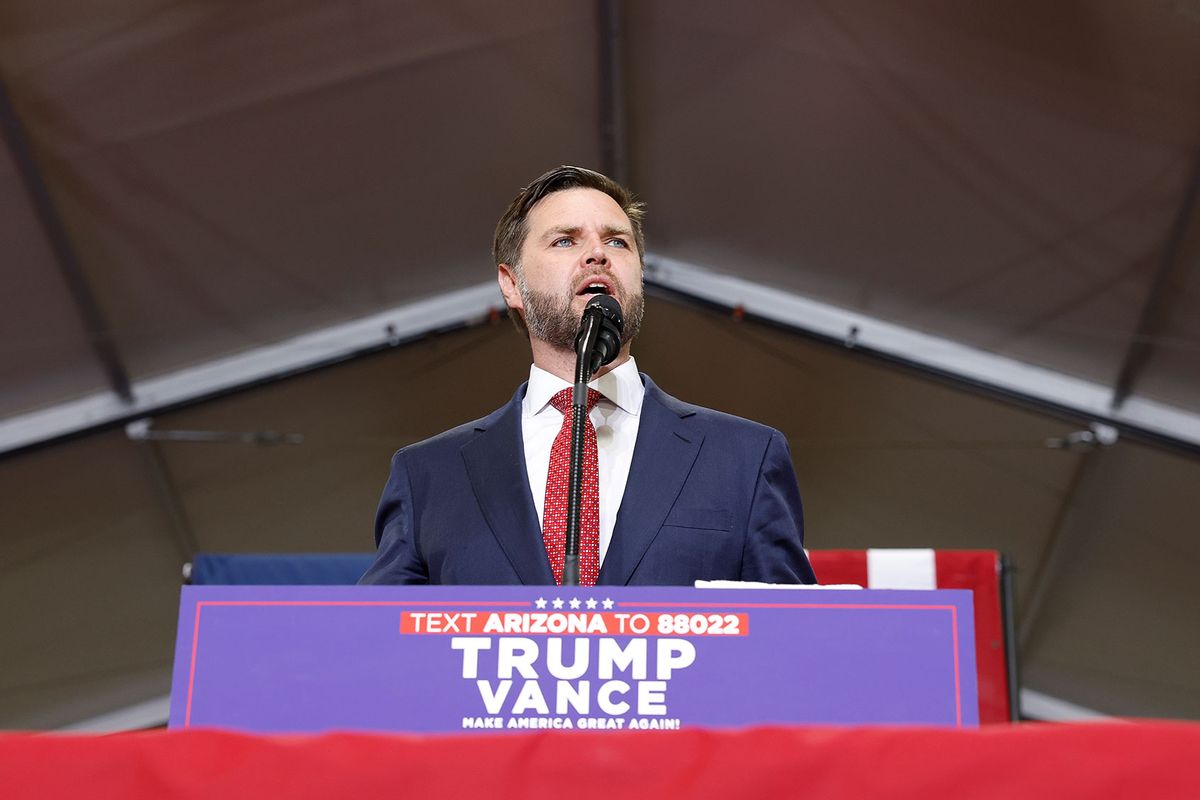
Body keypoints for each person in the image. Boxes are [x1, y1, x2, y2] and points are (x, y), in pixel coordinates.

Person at [360, 166, 815, 586]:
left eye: (618, 241)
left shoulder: (745, 459)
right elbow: (376, 650)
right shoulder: (429, 476)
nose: (598, 254)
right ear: (511, 284)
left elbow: (795, 646)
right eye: (565, 241)